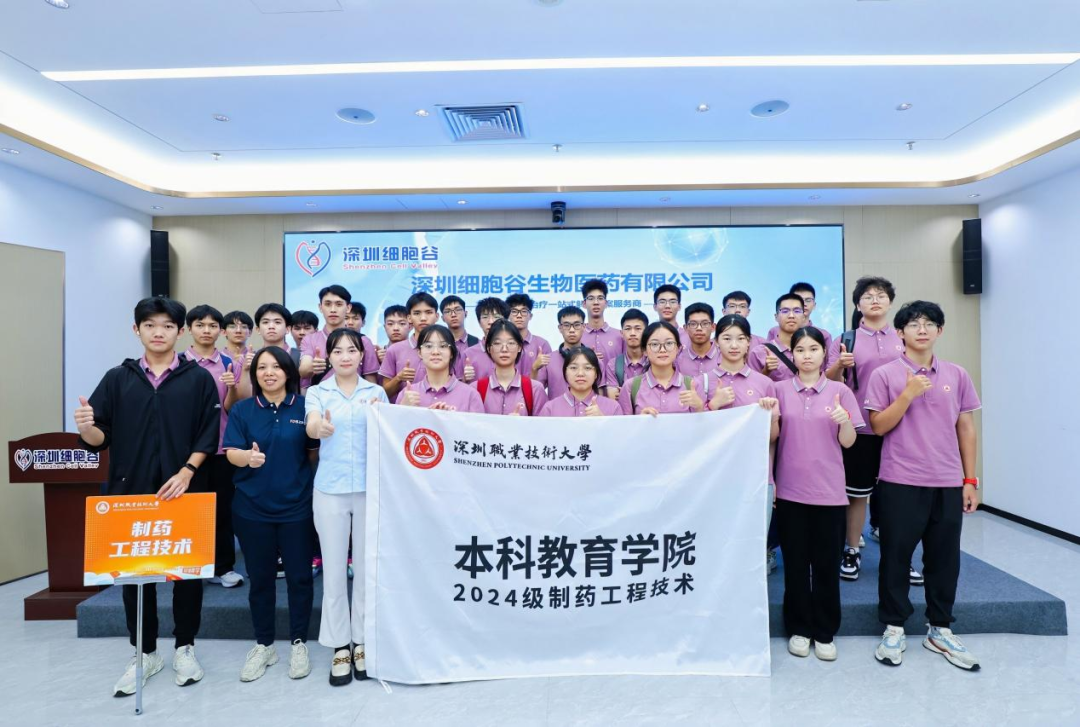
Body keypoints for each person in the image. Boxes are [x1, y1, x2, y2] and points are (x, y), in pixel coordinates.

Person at [74, 297, 220, 697]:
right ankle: (145, 652)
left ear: (180, 331)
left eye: (168, 325)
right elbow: (99, 438)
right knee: (134, 576)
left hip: (184, 490)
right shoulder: (117, 379)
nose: (159, 332)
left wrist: (187, 472)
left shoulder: (197, 379)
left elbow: (208, 433)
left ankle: (185, 648)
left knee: (188, 575)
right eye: (150, 325)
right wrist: (86, 428)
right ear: (136, 330)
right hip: (130, 492)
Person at [866, 301, 982, 671]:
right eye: (913, 324)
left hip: (947, 480)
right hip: (900, 480)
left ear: (939, 331)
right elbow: (878, 426)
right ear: (899, 332)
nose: (922, 329)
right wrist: (908, 393)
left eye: (929, 323)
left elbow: (966, 427)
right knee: (896, 557)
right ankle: (894, 627)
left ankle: (940, 628)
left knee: (945, 558)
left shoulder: (957, 374)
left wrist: (969, 479)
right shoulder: (885, 374)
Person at [223, 347, 318, 682]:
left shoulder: (305, 407)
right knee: (260, 579)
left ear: (288, 372)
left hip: (297, 508)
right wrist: (246, 459)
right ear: (255, 374)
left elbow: (312, 454)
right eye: (262, 367)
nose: (269, 373)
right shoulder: (243, 409)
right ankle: (264, 644)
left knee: (300, 578)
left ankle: (298, 643)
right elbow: (230, 452)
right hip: (252, 509)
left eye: (276, 366)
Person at [773, 326, 863, 662]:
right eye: (800, 350)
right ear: (792, 355)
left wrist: (844, 421)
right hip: (791, 492)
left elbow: (849, 443)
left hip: (829, 493)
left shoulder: (840, 391)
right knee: (796, 565)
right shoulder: (779, 390)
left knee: (825, 566)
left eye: (813, 349)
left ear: (825, 353)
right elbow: (773, 436)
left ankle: (825, 631)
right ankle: (799, 628)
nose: (807, 355)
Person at [305, 328, 388, 686]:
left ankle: (363, 641)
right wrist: (319, 428)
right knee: (335, 570)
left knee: (367, 568)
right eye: (337, 351)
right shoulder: (317, 392)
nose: (345, 356)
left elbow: (388, 434)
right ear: (329, 356)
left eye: (351, 350)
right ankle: (340, 645)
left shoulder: (376, 393)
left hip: (370, 489)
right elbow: (312, 425)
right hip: (331, 489)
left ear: (361, 355)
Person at [825, 276, 906, 582]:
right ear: (858, 304)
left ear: (890, 302)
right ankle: (851, 549)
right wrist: (840, 365)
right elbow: (828, 382)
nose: (875, 300)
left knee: (898, 495)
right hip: (860, 428)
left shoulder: (902, 336)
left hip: (900, 427)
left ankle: (900, 556)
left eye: (881, 295)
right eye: (868, 296)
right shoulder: (846, 339)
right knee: (857, 494)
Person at [709, 314, 782, 572]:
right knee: (718, 541)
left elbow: (772, 437)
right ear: (716, 342)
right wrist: (713, 405)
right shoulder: (702, 382)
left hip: (757, 474)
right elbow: (697, 435)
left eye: (740, 338)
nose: (734, 345)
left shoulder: (765, 383)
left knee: (753, 543)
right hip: (716, 475)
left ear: (749, 342)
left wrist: (772, 417)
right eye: (727, 338)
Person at [183, 305, 245, 589]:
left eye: (212, 326)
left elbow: (233, 409)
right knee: (190, 510)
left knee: (222, 510)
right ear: (189, 329)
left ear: (221, 331)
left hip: (221, 448)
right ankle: (192, 564)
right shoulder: (179, 363)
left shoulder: (230, 362)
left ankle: (223, 567)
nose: (206, 331)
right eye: (200, 325)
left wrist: (232, 387)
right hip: (186, 451)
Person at [618, 321, 705, 415]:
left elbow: (706, 423)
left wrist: (699, 407)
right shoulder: (631, 387)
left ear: (678, 348)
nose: (662, 350)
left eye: (669, 343)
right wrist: (641, 419)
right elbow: (623, 423)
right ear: (644, 351)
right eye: (655, 344)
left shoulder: (693, 385)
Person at [299, 285, 379, 387]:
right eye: (328, 304)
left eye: (339, 304)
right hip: (321, 396)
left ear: (348, 308)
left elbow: (371, 382)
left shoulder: (363, 341)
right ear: (320, 307)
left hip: (355, 396)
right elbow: (303, 370)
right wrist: (312, 366)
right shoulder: (310, 339)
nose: (333, 309)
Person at [396, 324, 484, 412]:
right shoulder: (406, 394)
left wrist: (452, 418)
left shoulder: (470, 395)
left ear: (451, 353)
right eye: (428, 346)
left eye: (442, 346)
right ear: (419, 353)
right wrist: (403, 409)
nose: (435, 352)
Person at [473, 319, 549, 416]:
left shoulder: (535, 389)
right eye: (497, 343)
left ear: (519, 347)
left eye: (511, 343)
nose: (504, 349)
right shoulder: (475, 389)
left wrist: (520, 423)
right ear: (488, 348)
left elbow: (542, 424)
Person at [380, 292, 440, 397]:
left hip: (440, 406)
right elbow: (384, 394)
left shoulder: (447, 348)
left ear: (437, 316)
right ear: (409, 318)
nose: (423, 318)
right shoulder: (394, 349)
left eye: (428, 312)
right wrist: (399, 378)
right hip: (403, 406)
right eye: (417, 313)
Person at [538, 346, 621, 417]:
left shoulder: (613, 407)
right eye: (574, 368)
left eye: (587, 368)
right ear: (565, 372)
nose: (580, 373)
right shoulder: (550, 409)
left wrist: (603, 420)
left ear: (596, 373)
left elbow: (620, 431)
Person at [749, 294, 808, 383]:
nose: (791, 315)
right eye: (785, 311)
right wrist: (766, 371)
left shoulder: (813, 350)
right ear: (776, 317)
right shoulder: (759, 352)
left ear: (803, 317)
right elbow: (750, 387)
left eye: (797, 311)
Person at [537, 305, 587, 399]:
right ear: (560, 328)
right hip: (556, 408)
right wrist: (534, 369)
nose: (572, 330)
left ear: (584, 327)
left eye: (576, 325)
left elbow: (599, 393)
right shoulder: (548, 360)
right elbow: (535, 391)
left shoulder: (592, 360)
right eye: (567, 325)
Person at [768, 283, 833, 351]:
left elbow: (829, 358)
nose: (804, 304)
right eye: (799, 299)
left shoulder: (824, 335)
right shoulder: (774, 331)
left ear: (814, 305)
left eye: (808, 300)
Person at [461, 297, 511, 385]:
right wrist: (465, 380)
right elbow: (458, 388)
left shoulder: (514, 350)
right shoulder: (468, 354)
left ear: (505, 321)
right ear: (479, 322)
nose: (490, 321)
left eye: (496, 317)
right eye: (485, 317)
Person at [602, 308, 649, 399]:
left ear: (646, 332)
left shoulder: (654, 362)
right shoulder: (613, 365)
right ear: (622, 333)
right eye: (628, 329)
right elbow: (613, 398)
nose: (632, 333)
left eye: (638, 328)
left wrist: (625, 393)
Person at [505, 293, 553, 380]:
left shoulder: (542, 344)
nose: (519, 316)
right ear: (508, 315)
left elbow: (549, 378)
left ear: (530, 316)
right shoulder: (502, 344)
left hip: (535, 389)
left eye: (524, 311)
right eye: (514, 311)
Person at [580, 278, 626, 363]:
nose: (596, 302)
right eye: (591, 298)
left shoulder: (620, 336)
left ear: (606, 303)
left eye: (600, 298)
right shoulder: (578, 336)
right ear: (584, 304)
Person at [676, 302, 721, 376]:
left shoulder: (723, 356)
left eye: (705, 323)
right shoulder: (678, 359)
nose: (699, 328)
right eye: (693, 324)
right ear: (685, 328)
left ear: (713, 327)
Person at [440, 295, 476, 378]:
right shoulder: (437, 346)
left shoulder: (477, 343)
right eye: (448, 311)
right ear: (442, 318)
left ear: (466, 313)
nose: (453, 314)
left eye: (458, 310)